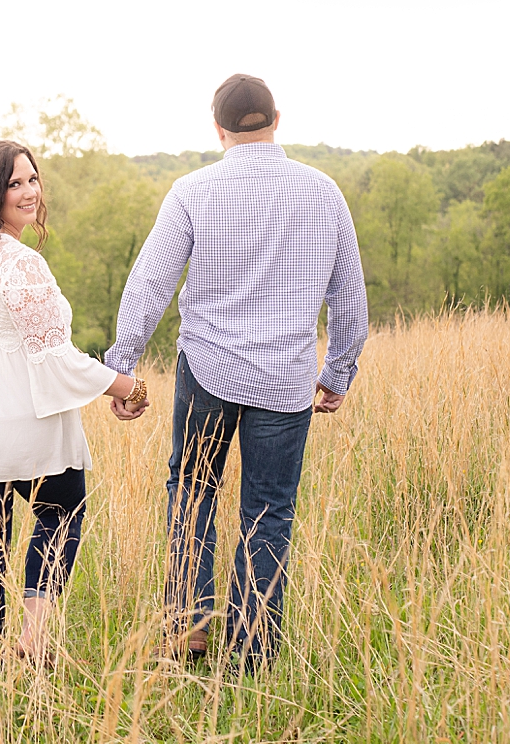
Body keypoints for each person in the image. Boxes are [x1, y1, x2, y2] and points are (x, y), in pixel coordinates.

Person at [104, 75, 368, 669]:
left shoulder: (192, 191)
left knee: (192, 493)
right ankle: (252, 648)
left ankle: (190, 628)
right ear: (278, 117)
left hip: (209, 370)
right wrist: (339, 370)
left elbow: (149, 285)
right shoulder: (323, 193)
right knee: (269, 509)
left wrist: (120, 366)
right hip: (286, 379)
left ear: (217, 128)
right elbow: (350, 294)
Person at [0, 140, 147, 664]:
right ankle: (35, 642)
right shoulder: (20, 265)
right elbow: (57, 361)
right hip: (18, 429)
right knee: (63, 511)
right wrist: (127, 386)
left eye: (32, 179)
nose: (27, 192)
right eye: (12, 183)